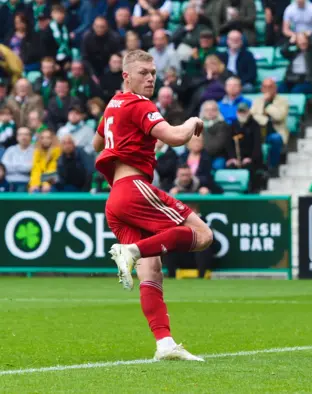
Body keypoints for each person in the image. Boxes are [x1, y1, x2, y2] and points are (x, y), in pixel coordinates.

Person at [92, 49, 212, 362]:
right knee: (202, 235)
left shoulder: (113, 104)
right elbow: (174, 137)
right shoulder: (139, 103)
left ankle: (164, 343)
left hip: (115, 198)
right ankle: (129, 252)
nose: (150, 78)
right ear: (126, 75)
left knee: (153, 268)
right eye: (143, 72)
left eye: (153, 72)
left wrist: (129, 141)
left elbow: (96, 144)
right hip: (133, 190)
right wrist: (192, 121)